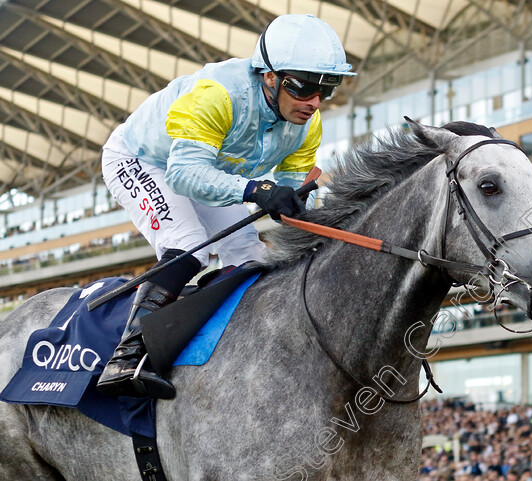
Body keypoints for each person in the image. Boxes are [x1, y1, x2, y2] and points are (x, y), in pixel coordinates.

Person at [96, 14, 356, 399]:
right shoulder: (218, 94)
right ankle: (126, 358)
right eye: (303, 88)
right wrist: (257, 190)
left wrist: (308, 219)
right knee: (189, 245)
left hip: (212, 166)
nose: (314, 102)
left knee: (250, 256)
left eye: (326, 89)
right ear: (270, 77)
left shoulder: (308, 122)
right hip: (144, 159)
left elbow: (288, 197)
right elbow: (184, 175)